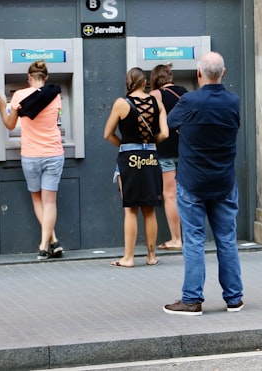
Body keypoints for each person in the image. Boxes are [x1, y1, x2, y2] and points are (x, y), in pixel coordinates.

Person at [163, 51, 244, 316]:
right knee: (227, 240)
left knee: (195, 241)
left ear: (198, 74)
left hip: (192, 182)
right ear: (224, 72)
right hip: (223, 181)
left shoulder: (189, 101)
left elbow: (171, 123)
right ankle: (234, 299)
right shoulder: (233, 101)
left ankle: (192, 300)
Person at [0, 59, 65, 260]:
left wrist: (1, 106)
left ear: (29, 77)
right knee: (50, 201)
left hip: (31, 155)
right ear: (46, 78)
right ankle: (52, 241)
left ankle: (44, 245)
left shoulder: (18, 96)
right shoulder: (56, 96)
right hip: (53, 153)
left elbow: (10, 125)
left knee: (37, 199)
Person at [103, 67, 168, 268]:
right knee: (149, 210)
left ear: (129, 82)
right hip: (150, 157)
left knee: (131, 209)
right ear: (144, 82)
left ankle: (128, 258)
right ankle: (151, 256)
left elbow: (107, 134)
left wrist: (124, 145)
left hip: (129, 158)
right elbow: (164, 134)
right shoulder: (157, 103)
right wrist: (149, 143)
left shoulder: (121, 104)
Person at [149, 63, 188, 251]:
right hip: (186, 151)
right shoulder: (186, 93)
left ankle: (176, 239)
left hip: (165, 151)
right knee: (186, 194)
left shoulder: (155, 95)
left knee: (170, 195)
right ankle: (191, 236)